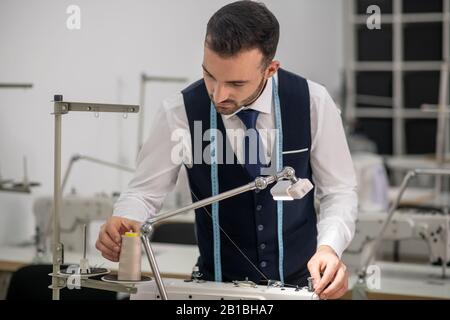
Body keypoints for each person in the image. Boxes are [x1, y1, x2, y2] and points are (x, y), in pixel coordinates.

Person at [96, 0, 357, 300]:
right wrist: (124, 217)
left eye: (235, 83)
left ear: (270, 69)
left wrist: (329, 247)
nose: (219, 95)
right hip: (213, 293)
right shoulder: (180, 112)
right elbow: (143, 192)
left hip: (300, 290)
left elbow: (339, 191)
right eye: (209, 75)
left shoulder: (313, 103)